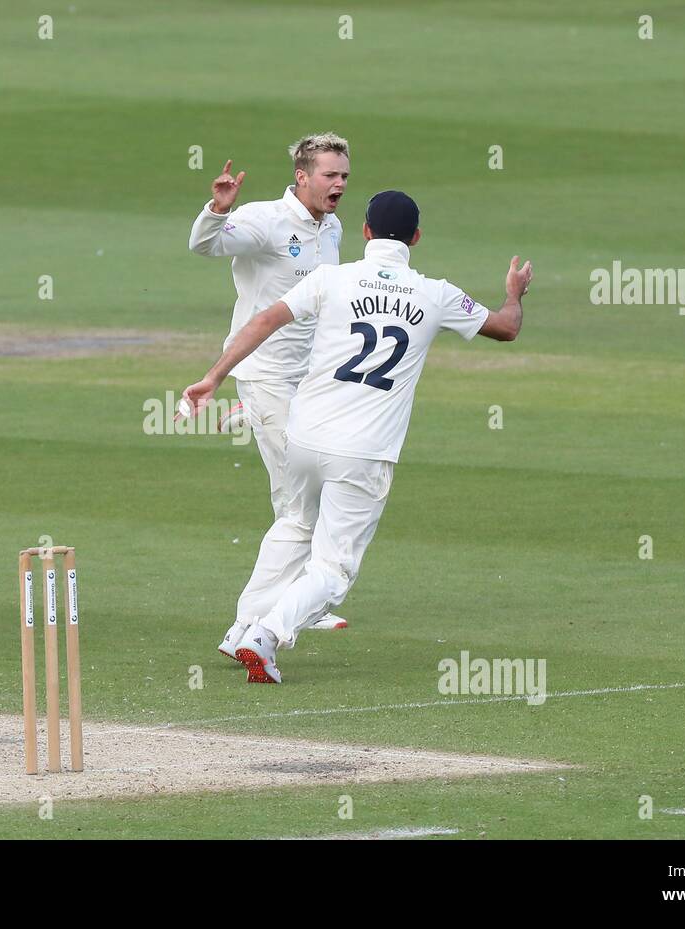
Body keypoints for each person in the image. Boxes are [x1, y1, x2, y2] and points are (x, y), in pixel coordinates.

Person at [181, 190, 532, 683]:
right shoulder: (436, 293)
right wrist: (514, 292)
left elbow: (263, 320)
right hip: (364, 452)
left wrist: (214, 377)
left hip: (305, 438)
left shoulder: (331, 278)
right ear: (416, 238)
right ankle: (265, 635)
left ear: (365, 232)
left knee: (293, 526)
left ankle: (240, 627)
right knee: (333, 568)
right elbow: (506, 328)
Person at [188, 132, 351, 649]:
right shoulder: (264, 219)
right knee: (300, 503)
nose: (340, 184)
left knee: (313, 495)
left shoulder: (333, 228)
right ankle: (263, 621)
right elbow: (204, 245)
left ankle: (294, 604)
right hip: (265, 374)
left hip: (311, 380)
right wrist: (217, 209)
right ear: (302, 176)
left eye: (344, 175)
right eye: (330, 175)